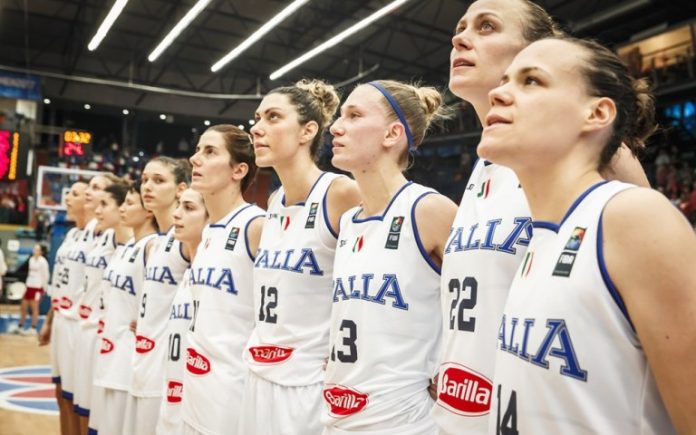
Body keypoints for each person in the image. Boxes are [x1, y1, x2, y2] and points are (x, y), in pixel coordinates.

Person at [433, 2, 650, 433]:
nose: (459, 37)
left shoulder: (596, 154)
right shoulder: (482, 165)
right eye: (460, 28)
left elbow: (653, 300)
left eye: (486, 26)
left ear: (536, 50)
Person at [481, 36, 696, 434]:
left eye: (531, 81)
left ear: (596, 113)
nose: (498, 92)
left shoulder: (633, 217)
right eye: (505, 80)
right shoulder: (539, 238)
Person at [322, 80, 457, 434]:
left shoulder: (430, 210)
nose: (336, 126)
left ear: (391, 134)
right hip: (338, 413)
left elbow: (480, 305)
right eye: (340, 116)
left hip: (405, 419)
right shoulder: (349, 221)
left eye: (353, 115)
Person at [240, 79, 361, 435]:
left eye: (273, 117)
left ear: (308, 131)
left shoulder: (342, 193)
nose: (256, 128)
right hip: (259, 372)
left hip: (309, 384)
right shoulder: (274, 200)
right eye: (257, 118)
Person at [182, 125, 265, 434]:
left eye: (210, 152)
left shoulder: (256, 226)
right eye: (198, 150)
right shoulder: (207, 232)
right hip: (195, 383)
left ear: (239, 170)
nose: (194, 159)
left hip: (233, 390)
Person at [125, 157, 190, 435]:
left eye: (159, 180)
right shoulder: (155, 245)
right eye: (145, 180)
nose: (147, 187)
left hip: (172, 367)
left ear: (181, 188)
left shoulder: (189, 241)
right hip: (144, 361)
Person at [92, 182, 158, 435]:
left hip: (129, 357)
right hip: (110, 349)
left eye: (129, 203)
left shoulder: (152, 246)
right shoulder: (127, 246)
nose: (123, 208)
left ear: (148, 211)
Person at [81, 181, 132, 435]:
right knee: (83, 412)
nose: (97, 210)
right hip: (100, 336)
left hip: (123, 351)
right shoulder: (115, 244)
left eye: (104, 204)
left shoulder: (146, 246)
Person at [155, 188, 207, 435]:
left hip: (199, 400)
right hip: (170, 392)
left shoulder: (218, 275)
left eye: (188, 208)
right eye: (179, 206)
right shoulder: (186, 274)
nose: (176, 215)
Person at [40, 180, 88, 435]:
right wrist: (48, 320)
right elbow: (59, 284)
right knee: (61, 394)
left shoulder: (99, 235)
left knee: (76, 400)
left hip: (79, 325)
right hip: (60, 319)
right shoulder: (70, 235)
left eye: (76, 194)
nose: (68, 198)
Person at [18, 244, 49, 334]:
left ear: (41, 252)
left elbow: (46, 276)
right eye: (34, 249)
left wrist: (44, 289)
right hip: (29, 286)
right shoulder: (31, 260)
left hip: (37, 288)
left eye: (36, 249)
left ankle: (33, 328)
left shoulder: (43, 262)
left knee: (35, 308)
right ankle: (20, 326)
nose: (34, 251)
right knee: (23, 306)